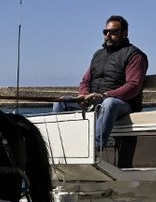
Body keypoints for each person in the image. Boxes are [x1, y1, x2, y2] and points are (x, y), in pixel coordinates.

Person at [53, 15, 148, 151]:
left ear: (125, 33)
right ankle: (62, 147)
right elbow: (85, 80)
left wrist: (104, 95)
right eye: (105, 32)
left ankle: (94, 149)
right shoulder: (98, 55)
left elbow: (133, 86)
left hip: (123, 104)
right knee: (61, 102)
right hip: (96, 101)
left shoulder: (135, 56)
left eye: (113, 32)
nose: (108, 35)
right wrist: (84, 95)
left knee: (109, 104)